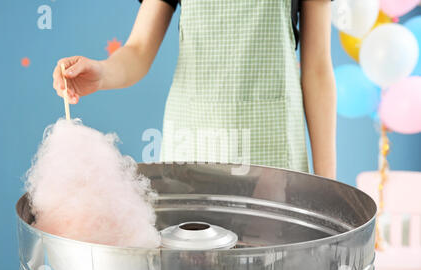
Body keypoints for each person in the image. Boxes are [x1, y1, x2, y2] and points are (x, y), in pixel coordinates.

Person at [52, 0, 336, 179]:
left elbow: (318, 71)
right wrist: (101, 73)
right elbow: (137, 51)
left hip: (272, 153)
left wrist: (331, 193)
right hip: (193, 143)